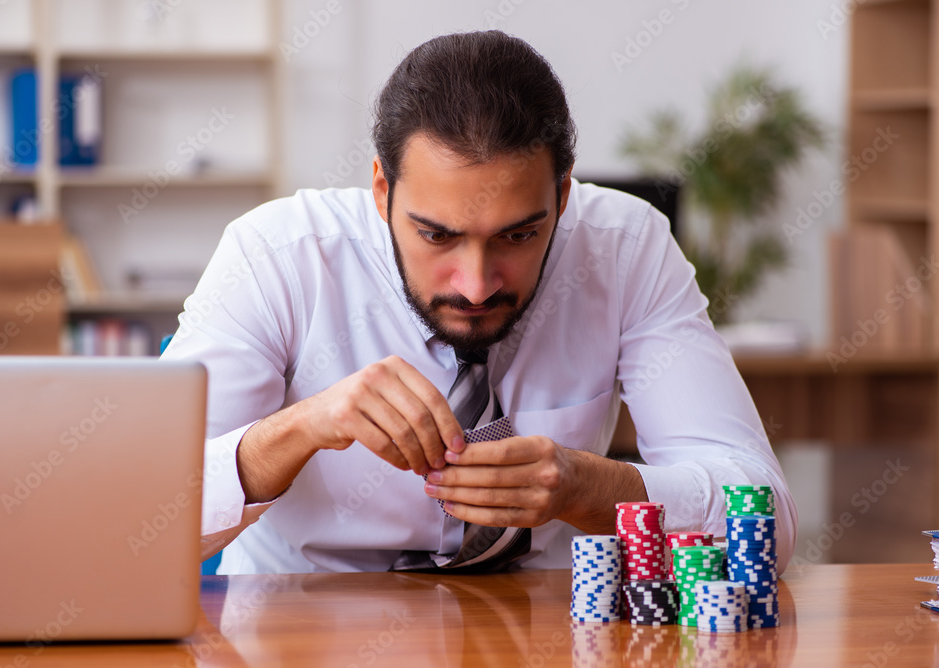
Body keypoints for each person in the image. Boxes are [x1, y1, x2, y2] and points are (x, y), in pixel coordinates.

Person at [162, 30, 797, 574]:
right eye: (437, 235)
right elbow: (142, 520)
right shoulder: (277, 256)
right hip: (294, 635)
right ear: (381, 189)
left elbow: (765, 516)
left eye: (518, 235)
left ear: (564, 195)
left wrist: (588, 488)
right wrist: (301, 427)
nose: (475, 284)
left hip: (537, 636)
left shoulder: (624, 249)